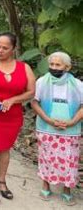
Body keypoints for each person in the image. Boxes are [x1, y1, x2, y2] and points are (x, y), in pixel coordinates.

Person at [0, 33, 36, 204]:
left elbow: (31, 91)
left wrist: (13, 100)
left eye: (5, 47)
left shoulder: (24, 67)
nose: (0, 50)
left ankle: (1, 180)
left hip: (13, 115)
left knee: (5, 149)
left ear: (13, 49)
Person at [31, 52, 82, 206]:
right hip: (47, 128)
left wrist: (72, 122)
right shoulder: (41, 82)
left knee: (70, 160)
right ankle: (46, 185)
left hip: (71, 130)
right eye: (51, 64)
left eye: (58, 65)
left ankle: (67, 190)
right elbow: (34, 103)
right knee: (47, 157)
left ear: (67, 67)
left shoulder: (78, 85)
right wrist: (48, 120)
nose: (53, 67)